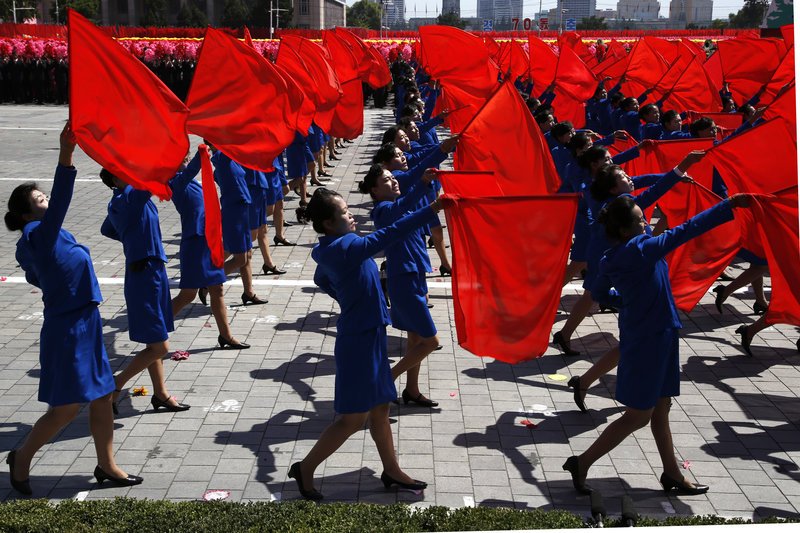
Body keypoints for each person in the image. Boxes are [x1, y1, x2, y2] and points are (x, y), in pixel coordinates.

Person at [563, 192, 753, 495]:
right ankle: (582, 462)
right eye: (641, 221)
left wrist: (626, 301)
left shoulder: (612, 255)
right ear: (626, 230)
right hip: (648, 341)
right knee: (638, 415)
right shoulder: (641, 251)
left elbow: (599, 293)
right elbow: (687, 229)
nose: (647, 225)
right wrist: (728, 206)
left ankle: (672, 473)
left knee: (662, 407)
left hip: (658, 334)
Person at [4, 123, 142, 495]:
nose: (46, 200)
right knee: (65, 409)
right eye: (39, 199)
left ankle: (107, 465)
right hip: (67, 328)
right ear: (24, 215)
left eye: (43, 195)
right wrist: (66, 154)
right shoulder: (37, 235)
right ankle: (22, 457)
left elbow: (44, 275)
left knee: (101, 397)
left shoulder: (49, 236)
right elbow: (63, 201)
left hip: (86, 320)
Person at [288, 188, 441, 500]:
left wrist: (348, 298)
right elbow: (391, 232)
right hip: (358, 341)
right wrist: (434, 207)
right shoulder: (347, 247)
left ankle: (392, 470)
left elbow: (322, 279)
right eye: (344, 212)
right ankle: (305, 468)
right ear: (330, 223)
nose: (351, 215)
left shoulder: (329, 247)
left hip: (367, 334)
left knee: (381, 408)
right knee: (353, 419)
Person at [100, 169, 190, 415]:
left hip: (154, 271)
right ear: (116, 179)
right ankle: (115, 386)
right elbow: (153, 178)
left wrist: (132, 238)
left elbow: (107, 229)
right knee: (160, 347)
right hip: (144, 275)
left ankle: (161, 394)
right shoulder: (126, 198)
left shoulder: (128, 200)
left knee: (155, 341)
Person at [361, 165, 440, 406]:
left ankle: (411, 390)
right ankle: (385, 381)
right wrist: (423, 184)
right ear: (374, 191)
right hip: (403, 278)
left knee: (415, 339)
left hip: (414, 274)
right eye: (387, 180)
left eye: (393, 178)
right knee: (431, 342)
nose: (394, 181)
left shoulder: (397, 205)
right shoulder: (383, 211)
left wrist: (426, 182)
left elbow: (413, 206)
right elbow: (405, 206)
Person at [168, 148, 251, 350]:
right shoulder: (174, 183)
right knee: (188, 295)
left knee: (217, 288)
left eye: (187, 155)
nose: (185, 158)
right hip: (194, 243)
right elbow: (193, 169)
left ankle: (226, 336)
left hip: (207, 240)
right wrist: (204, 149)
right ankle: (156, 331)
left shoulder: (188, 182)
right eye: (182, 155)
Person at [210, 147, 267, 306]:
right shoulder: (222, 157)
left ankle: (249, 293)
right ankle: (210, 281)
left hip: (242, 208)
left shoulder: (229, 157)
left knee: (247, 254)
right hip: (234, 211)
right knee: (240, 258)